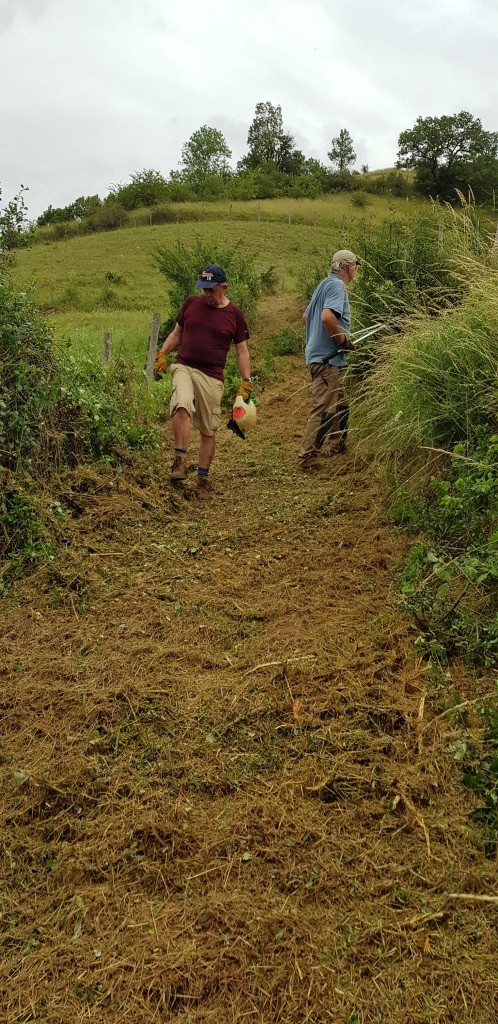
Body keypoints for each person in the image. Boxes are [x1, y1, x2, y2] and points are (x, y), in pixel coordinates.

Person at [153, 264, 252, 499]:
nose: (205, 293)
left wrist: (246, 381)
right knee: (182, 404)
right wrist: (162, 354)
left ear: (223, 287)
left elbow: (241, 351)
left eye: (210, 289)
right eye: (203, 289)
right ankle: (179, 460)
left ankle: (203, 479)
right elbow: (177, 333)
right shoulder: (191, 304)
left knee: (209, 429)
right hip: (184, 366)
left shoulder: (234, 315)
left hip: (212, 376)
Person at [298, 249, 359, 473]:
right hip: (327, 360)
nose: (355, 271)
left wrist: (320, 338)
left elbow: (307, 317)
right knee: (322, 408)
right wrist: (342, 341)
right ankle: (307, 458)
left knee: (340, 401)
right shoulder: (337, 286)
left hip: (320, 356)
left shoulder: (323, 284)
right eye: (355, 267)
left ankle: (338, 443)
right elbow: (326, 317)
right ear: (350, 268)